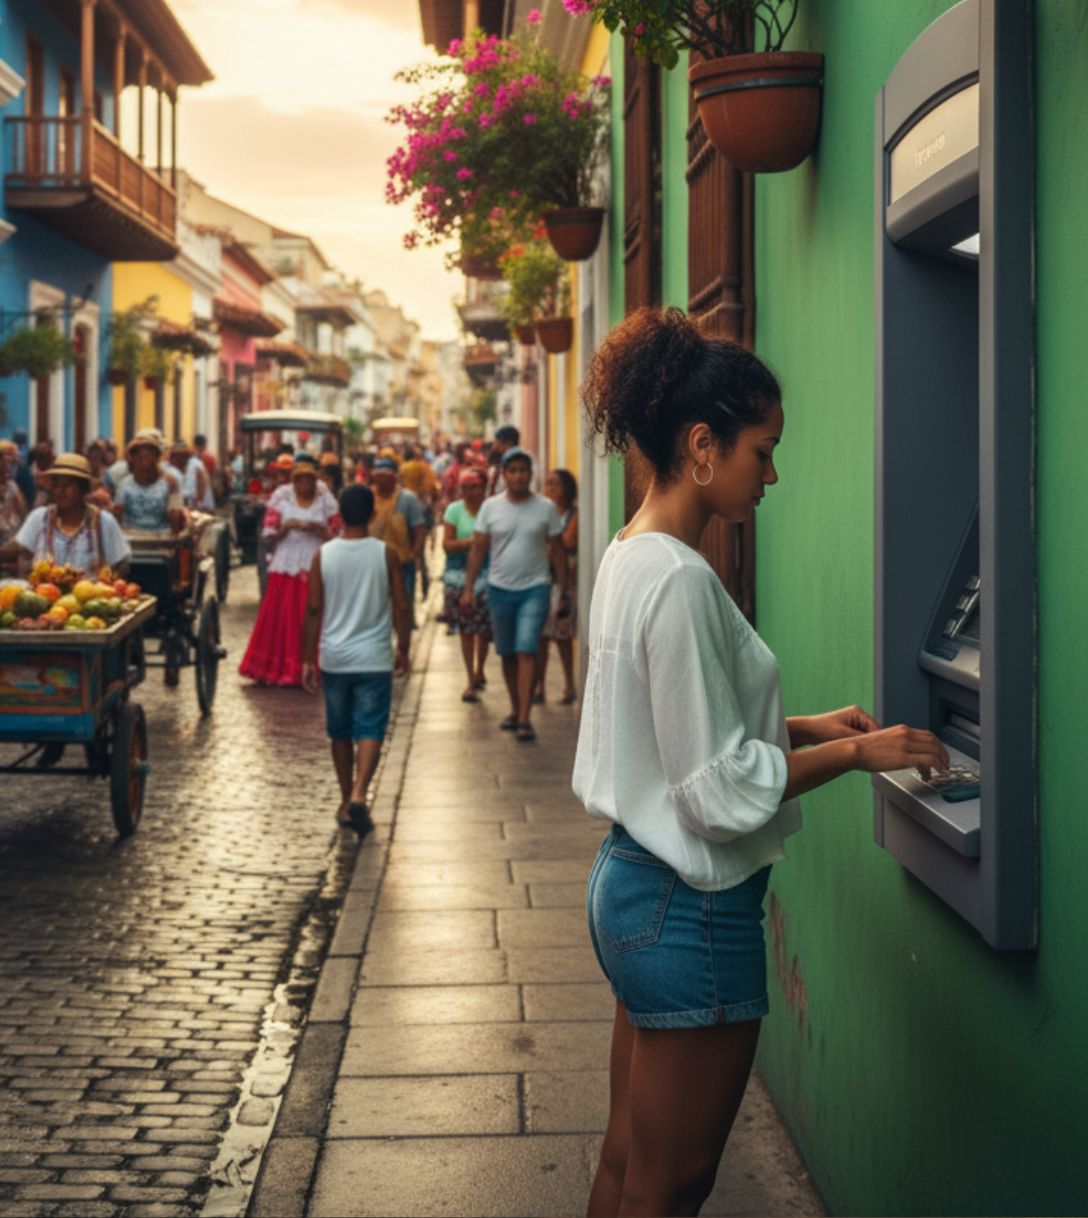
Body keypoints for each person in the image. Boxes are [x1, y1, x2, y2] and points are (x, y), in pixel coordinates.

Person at [573, 307, 949, 1218]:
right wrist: (859, 753)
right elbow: (711, 790)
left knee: (628, 1159)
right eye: (763, 451)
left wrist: (804, 726)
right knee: (672, 1185)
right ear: (703, 445)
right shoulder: (680, 580)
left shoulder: (631, 553)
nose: (772, 475)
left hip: (633, 883)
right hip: (688, 907)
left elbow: (666, 731)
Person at [301, 484, 411, 834]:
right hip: (374, 656)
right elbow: (401, 605)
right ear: (373, 514)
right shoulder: (384, 553)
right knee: (370, 727)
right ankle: (361, 792)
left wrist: (307, 659)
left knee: (340, 731)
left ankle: (346, 799)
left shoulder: (323, 555)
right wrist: (403, 647)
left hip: (335, 657)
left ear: (339, 515)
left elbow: (313, 608)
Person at [462, 447, 567, 743]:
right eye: (513, 471)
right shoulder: (490, 508)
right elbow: (478, 548)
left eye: (524, 470)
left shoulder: (545, 508)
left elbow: (558, 549)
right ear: (504, 475)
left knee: (526, 649)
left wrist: (562, 588)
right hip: (499, 589)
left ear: (531, 475)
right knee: (507, 653)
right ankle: (514, 706)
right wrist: (469, 588)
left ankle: (524, 717)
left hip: (536, 588)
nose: (519, 476)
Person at [239, 457, 341, 686]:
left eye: (308, 481)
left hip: (315, 560)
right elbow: (269, 534)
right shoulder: (281, 497)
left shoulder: (325, 500)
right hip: (286, 562)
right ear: (294, 483)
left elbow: (336, 534)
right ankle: (281, 666)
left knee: (311, 609)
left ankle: (311, 664)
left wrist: (318, 529)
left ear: (314, 482)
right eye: (299, 481)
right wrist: (286, 528)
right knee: (283, 613)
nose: (304, 485)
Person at [1, 452, 131, 577]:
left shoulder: (104, 522)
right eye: (56, 485)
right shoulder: (40, 518)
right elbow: (18, 548)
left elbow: (121, 563)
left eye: (68, 485)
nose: (60, 491)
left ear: (83, 489)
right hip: (45, 591)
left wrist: (109, 582)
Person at [442, 467, 492, 702]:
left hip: (487, 574)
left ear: (483, 488)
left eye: (474, 487)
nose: (470, 492)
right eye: (465, 488)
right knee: (466, 628)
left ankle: (480, 668)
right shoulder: (454, 510)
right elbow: (447, 544)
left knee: (483, 629)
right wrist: (474, 542)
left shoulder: (490, 509)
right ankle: (470, 677)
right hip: (458, 576)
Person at [534, 468, 578, 705]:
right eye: (548, 483)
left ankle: (569, 684)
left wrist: (548, 542)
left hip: (564, 582)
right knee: (540, 636)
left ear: (567, 489)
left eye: (556, 484)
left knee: (562, 635)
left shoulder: (573, 514)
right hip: (541, 578)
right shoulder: (541, 513)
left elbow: (567, 542)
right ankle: (539, 686)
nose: (550, 488)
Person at [368, 457, 426, 624]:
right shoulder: (369, 496)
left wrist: (415, 553)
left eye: (386, 477)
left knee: (403, 606)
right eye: (378, 477)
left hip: (403, 562)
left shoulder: (407, 499)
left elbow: (419, 529)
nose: (381, 482)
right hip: (375, 562)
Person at [114, 433, 186, 534]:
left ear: (157, 459)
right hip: (131, 536)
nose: (144, 462)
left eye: (148, 457)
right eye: (139, 458)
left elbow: (176, 517)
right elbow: (118, 514)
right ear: (133, 460)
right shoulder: (125, 484)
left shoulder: (170, 483)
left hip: (162, 537)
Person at [0, 440, 28, 551]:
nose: (7, 474)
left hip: (12, 548)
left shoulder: (12, 487)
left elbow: (24, 516)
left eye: (7, 467)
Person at [486, 425, 520, 497]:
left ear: (507, 443)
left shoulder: (522, 463)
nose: (495, 446)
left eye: (497, 442)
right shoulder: (501, 462)